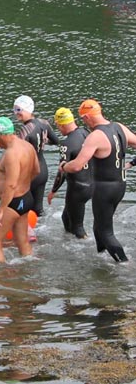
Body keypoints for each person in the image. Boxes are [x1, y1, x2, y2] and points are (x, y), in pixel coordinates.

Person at [62, 99, 136, 262]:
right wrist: (132, 162)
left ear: (87, 117)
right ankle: (102, 259)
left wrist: (64, 166)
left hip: (104, 190)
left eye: (83, 119)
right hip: (120, 186)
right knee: (98, 227)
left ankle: (124, 265)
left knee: (105, 232)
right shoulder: (119, 127)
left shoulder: (95, 136)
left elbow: (77, 166)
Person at [0, 117, 40, 264]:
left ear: (1, 134)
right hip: (26, 197)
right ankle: (30, 267)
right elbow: (36, 170)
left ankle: (2, 276)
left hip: (13, 202)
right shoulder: (27, 146)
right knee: (22, 241)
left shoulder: (11, 153)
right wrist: (23, 183)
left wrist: (0, 210)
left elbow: (11, 185)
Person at [47, 108, 92, 239]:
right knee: (65, 218)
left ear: (61, 124)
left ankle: (86, 251)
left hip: (78, 187)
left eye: (58, 126)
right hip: (92, 184)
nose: (59, 130)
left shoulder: (66, 144)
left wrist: (53, 191)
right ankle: (69, 245)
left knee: (78, 227)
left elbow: (62, 171)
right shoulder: (86, 133)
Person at [13, 95, 59, 217]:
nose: (16, 113)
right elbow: (56, 141)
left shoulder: (25, 129)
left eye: (19, 110)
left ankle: (24, 234)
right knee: (38, 210)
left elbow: (17, 153)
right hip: (43, 170)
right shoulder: (44, 123)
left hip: (30, 172)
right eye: (14, 109)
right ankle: (42, 233)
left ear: (28, 109)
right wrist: (42, 142)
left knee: (21, 208)